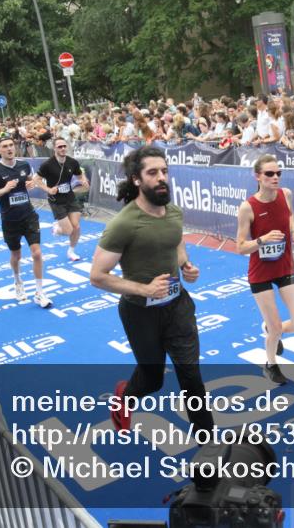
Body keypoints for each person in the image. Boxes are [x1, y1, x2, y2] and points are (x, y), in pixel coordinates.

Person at [89, 146, 213, 437]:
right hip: (139, 313)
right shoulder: (123, 224)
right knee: (152, 380)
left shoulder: (174, 212)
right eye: (153, 172)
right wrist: (144, 288)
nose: (162, 178)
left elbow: (176, 242)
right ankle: (126, 396)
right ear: (136, 179)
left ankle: (208, 445)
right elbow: (97, 276)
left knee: (191, 376)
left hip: (178, 307)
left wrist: (186, 266)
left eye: (165, 171)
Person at [235, 155, 294, 385]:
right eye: (269, 174)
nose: (275, 177)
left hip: (285, 266)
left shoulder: (285, 194)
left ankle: (271, 328)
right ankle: (270, 363)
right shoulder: (248, 207)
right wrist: (262, 240)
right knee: (276, 328)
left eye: (278, 173)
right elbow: (240, 247)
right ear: (258, 177)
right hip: (261, 273)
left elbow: (290, 215)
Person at [0, 137, 53, 307]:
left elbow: (28, 180)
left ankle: (39, 292)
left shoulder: (23, 164)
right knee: (16, 255)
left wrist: (30, 184)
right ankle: (18, 281)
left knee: (36, 253)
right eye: (4, 146)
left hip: (28, 215)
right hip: (10, 220)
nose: (9, 149)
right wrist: (5, 189)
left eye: (11, 145)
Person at [36, 138, 89, 261]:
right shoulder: (47, 164)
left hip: (70, 198)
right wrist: (48, 189)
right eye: (59, 147)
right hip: (56, 200)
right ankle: (57, 228)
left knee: (76, 227)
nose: (63, 148)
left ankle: (71, 251)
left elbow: (80, 174)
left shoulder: (72, 162)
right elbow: (36, 179)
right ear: (54, 148)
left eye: (64, 146)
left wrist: (83, 180)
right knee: (68, 230)